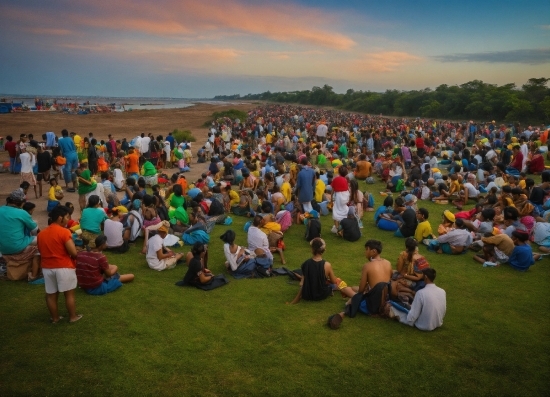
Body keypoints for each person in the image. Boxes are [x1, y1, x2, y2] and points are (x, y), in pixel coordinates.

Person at [328, 240, 393, 329]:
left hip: (373, 304)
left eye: (367, 249)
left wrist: (365, 287)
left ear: (373, 251)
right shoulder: (388, 263)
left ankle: (343, 291)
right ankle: (345, 292)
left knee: (347, 289)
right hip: (386, 298)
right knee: (354, 288)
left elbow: (361, 290)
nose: (365, 252)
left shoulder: (368, 266)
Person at [37, 205, 82, 323]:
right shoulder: (64, 232)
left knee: (51, 294)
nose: (68, 220)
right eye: (67, 217)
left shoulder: (41, 234)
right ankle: (73, 317)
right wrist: (76, 252)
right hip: (64, 266)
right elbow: (73, 253)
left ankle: (55, 318)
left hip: (47, 267)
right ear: (60, 218)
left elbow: (41, 251)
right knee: (69, 294)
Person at [289, 237, 355, 304]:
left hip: (307, 294)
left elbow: (304, 277)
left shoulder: (306, 263)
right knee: (337, 282)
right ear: (323, 250)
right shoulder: (327, 265)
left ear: (312, 249)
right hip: (321, 294)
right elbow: (333, 281)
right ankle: (335, 291)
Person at [0, 189, 42, 282]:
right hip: (17, 247)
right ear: (20, 202)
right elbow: (35, 230)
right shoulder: (22, 213)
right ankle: (33, 275)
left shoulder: (0, 209)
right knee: (41, 243)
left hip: (2, 248)